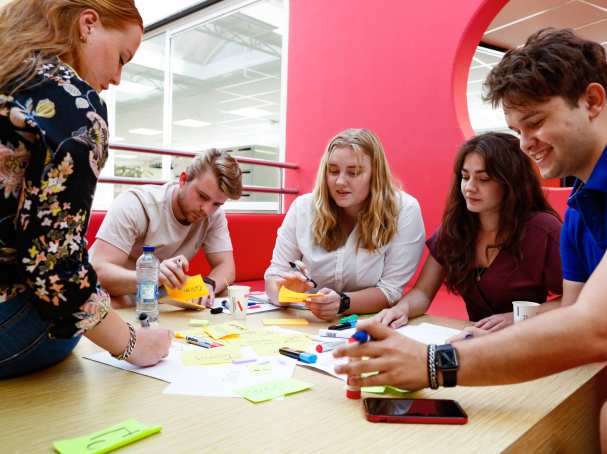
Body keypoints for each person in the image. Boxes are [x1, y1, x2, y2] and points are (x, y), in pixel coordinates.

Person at [333, 27, 607, 447]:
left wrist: (433, 363)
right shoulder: (580, 210)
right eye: (517, 130)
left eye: (534, 123)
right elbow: (574, 311)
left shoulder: (546, 226)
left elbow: (590, 326)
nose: (527, 144)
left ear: (592, 101)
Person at [0, 0, 171, 379]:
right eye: (122, 58)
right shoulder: (73, 101)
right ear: (88, 24)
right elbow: (55, 267)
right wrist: (131, 343)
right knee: (73, 326)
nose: (116, 78)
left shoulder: (12, 75)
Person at [374, 132, 562, 333]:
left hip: (531, 341)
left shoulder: (543, 229)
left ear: (511, 183)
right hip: (475, 343)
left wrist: (520, 318)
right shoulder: (455, 228)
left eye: (483, 178)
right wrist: (401, 309)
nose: (469, 187)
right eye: (465, 177)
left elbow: (578, 299)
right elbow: (422, 292)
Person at [264, 128, 425, 320]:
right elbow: (273, 276)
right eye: (332, 171)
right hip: (308, 321)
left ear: (375, 175)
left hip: (368, 322)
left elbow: (390, 292)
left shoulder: (404, 209)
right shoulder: (303, 208)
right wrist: (284, 292)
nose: (340, 181)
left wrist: (342, 302)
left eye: (354, 172)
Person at [89, 149, 243, 308]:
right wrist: (151, 276)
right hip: (115, 290)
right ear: (183, 180)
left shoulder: (213, 215)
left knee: (222, 293)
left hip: (159, 292)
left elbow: (227, 267)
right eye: (202, 196)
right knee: (101, 303)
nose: (206, 210)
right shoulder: (135, 204)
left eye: (217, 204)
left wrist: (208, 285)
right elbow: (98, 272)